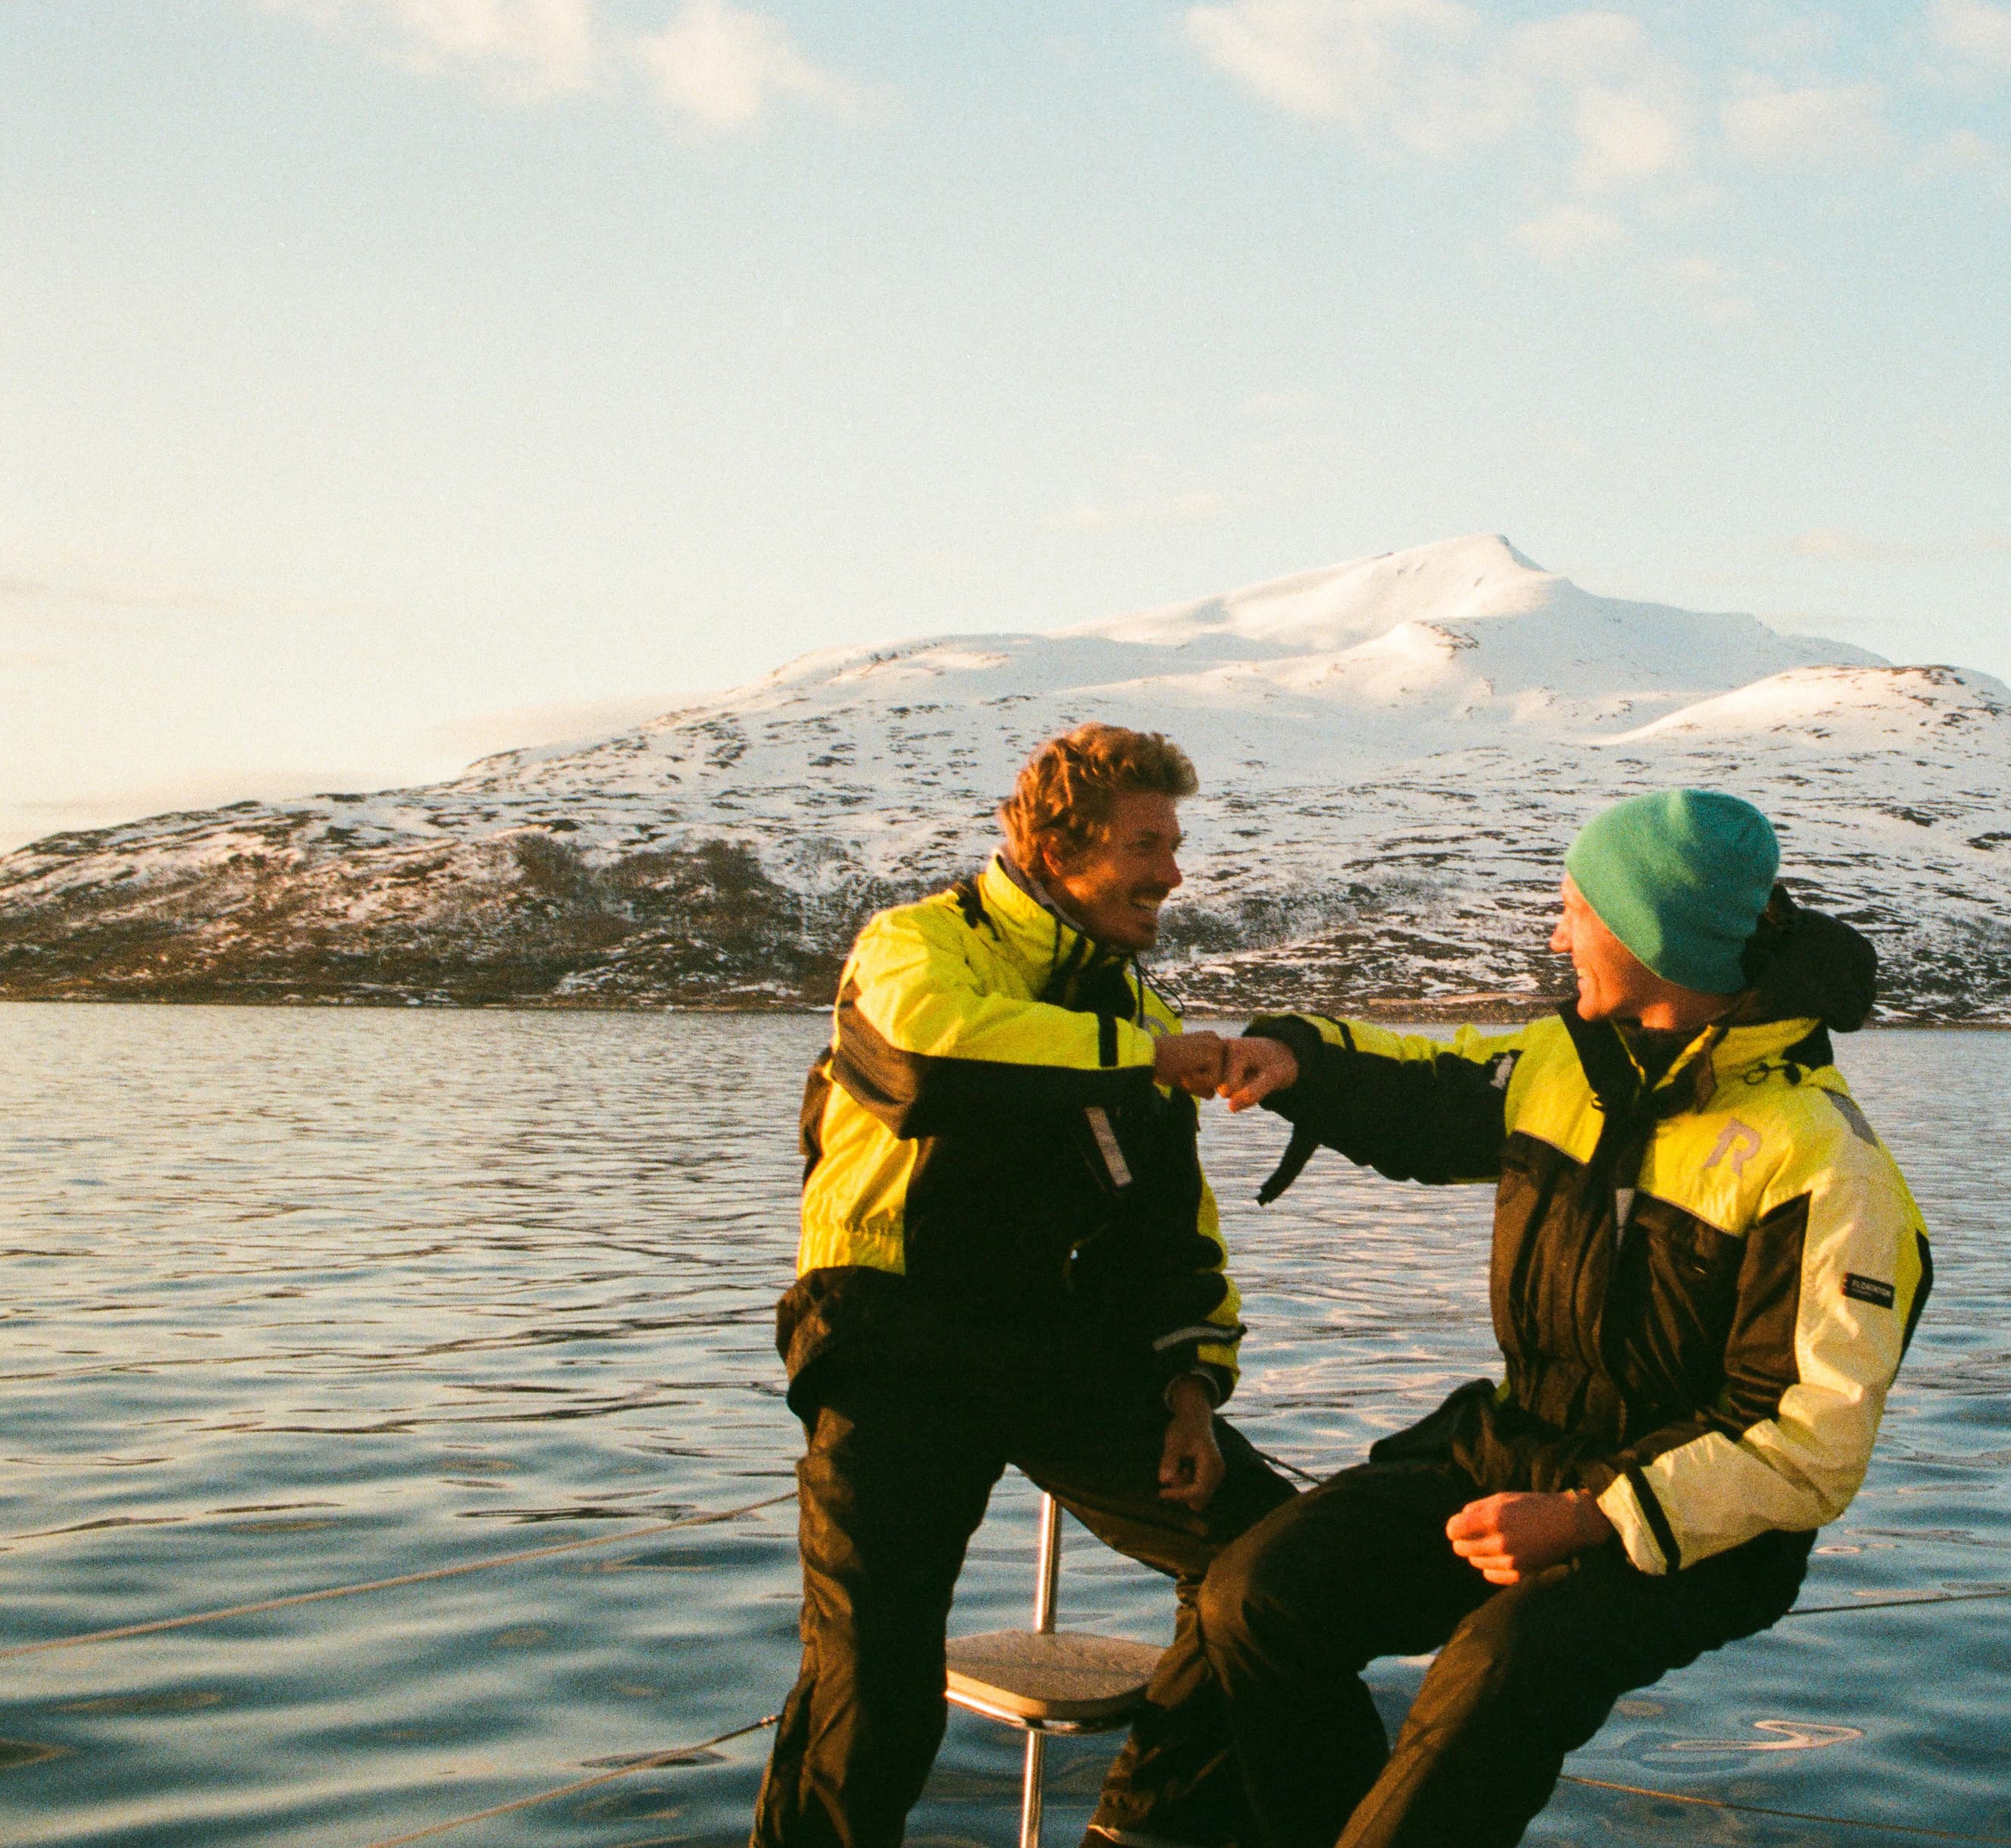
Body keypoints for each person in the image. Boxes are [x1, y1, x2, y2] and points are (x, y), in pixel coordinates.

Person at [1189, 788, 1930, 1848]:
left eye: (1576, 910)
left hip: (1698, 1524)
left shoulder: (1823, 1162)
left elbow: (1811, 1444)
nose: (1555, 932)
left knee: (1499, 1662)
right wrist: (1299, 1059)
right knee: (1255, 1594)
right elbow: (1428, 1091)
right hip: (1522, 1449)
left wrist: (1592, 1516)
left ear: (1650, 935)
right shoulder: (1562, 1064)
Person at [752, 722, 1292, 1848]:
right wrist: (1144, 1057)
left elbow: (1168, 1227)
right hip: (887, 1339)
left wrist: (1191, 1385)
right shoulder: (913, 948)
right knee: (874, 1688)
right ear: (1057, 848)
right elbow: (929, 1063)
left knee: (1277, 1561)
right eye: (1148, 843)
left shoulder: (1134, 1009)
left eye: (1175, 842)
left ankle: (1138, 1833)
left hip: (1046, 1344)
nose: (1173, 873)